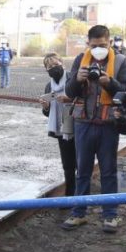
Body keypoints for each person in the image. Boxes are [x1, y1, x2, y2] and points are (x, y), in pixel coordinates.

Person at [62, 25, 126, 233]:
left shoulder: (121, 61)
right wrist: (77, 79)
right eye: (93, 46)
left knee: (108, 171)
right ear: (88, 44)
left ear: (109, 42)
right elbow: (69, 92)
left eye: (102, 45)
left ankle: (110, 214)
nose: (98, 49)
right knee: (82, 170)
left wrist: (109, 83)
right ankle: (78, 212)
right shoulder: (80, 60)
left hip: (108, 125)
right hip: (83, 123)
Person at [41, 53, 77, 198]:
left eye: (56, 65)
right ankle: (69, 196)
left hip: (77, 125)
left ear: (63, 64)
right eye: (50, 66)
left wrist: (69, 99)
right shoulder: (49, 86)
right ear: (46, 70)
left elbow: (83, 99)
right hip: (61, 128)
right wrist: (46, 107)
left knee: (81, 163)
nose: (54, 68)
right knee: (67, 165)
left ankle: (81, 195)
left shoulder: (72, 80)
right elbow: (47, 112)